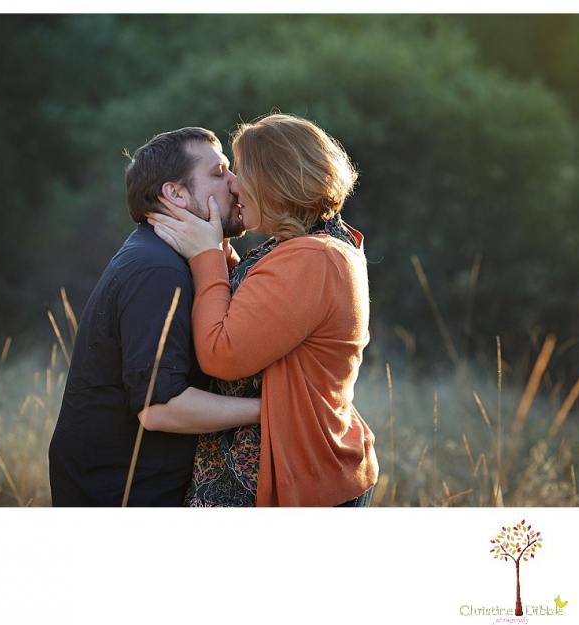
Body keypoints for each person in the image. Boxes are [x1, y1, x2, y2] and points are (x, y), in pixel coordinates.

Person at [144, 113, 378, 506]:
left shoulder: (312, 258)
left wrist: (206, 257)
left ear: (275, 184)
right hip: (297, 460)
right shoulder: (307, 244)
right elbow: (261, 307)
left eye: (241, 173)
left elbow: (224, 353)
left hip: (300, 475)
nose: (232, 184)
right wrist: (217, 249)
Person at [48, 126, 262, 506]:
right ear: (175, 193)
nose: (235, 183)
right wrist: (275, 410)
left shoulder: (167, 257)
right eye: (219, 172)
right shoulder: (157, 271)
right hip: (122, 495)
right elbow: (161, 407)